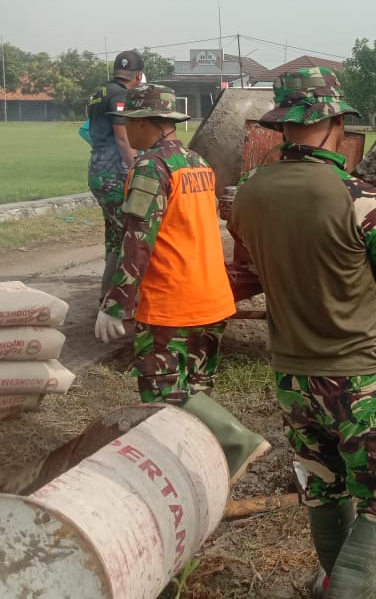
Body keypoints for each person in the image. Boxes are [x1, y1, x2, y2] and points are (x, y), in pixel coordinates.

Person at [228, 67, 376, 599]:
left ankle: (332, 582)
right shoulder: (363, 199)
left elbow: (249, 269)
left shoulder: (249, 194)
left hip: (292, 377)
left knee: (324, 487)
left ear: (284, 125)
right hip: (360, 376)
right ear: (334, 122)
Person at [93, 84, 269, 485]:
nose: (125, 129)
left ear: (146, 123)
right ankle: (199, 468)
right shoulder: (196, 164)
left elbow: (138, 239)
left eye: (128, 122)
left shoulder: (151, 167)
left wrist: (117, 303)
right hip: (212, 299)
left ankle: (236, 442)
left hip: (173, 303)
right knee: (194, 388)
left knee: (162, 392)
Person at [86, 50, 146, 297]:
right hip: (114, 175)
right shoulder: (121, 95)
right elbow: (122, 139)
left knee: (114, 235)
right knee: (130, 235)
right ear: (138, 75)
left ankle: (107, 294)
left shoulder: (99, 92)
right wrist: (137, 172)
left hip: (97, 171)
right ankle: (121, 300)